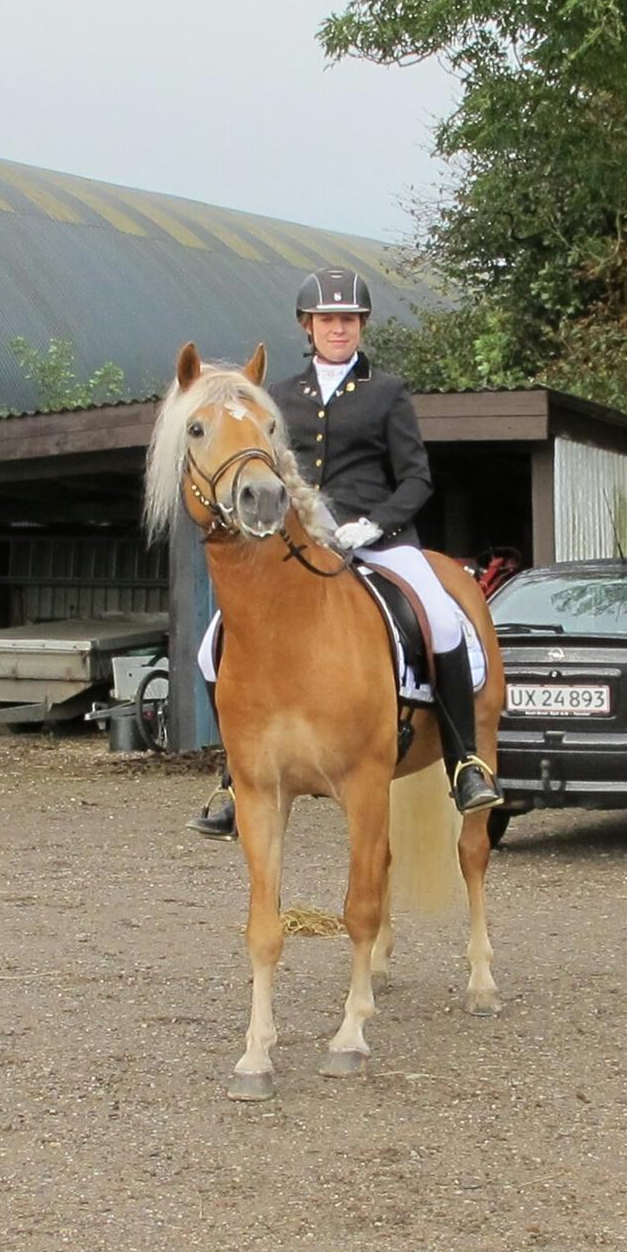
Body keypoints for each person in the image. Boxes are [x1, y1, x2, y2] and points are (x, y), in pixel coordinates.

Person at [189, 267, 503, 837]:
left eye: (350, 320)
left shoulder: (387, 392)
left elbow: (416, 478)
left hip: (379, 542)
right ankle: (236, 776)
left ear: (361, 326)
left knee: (441, 619)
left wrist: (374, 524)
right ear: (307, 326)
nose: (339, 328)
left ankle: (464, 763)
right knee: (214, 647)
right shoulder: (280, 397)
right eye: (328, 319)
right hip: (300, 545)